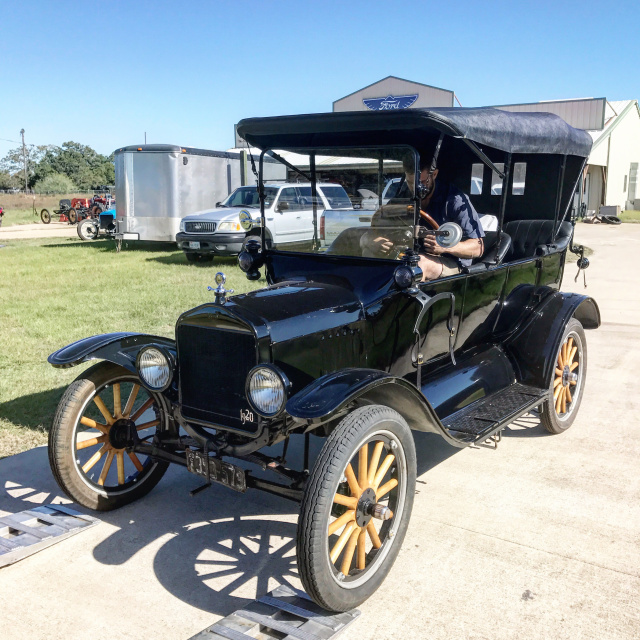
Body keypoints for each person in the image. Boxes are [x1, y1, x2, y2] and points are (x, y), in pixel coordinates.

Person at [362, 158, 485, 280]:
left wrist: (446, 247)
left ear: (434, 174)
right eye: (410, 183)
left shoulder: (455, 200)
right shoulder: (404, 196)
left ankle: (403, 299)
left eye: (421, 182)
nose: (415, 188)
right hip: (408, 254)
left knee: (418, 265)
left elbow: (478, 248)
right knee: (369, 254)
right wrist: (371, 240)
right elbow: (379, 225)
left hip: (450, 262)